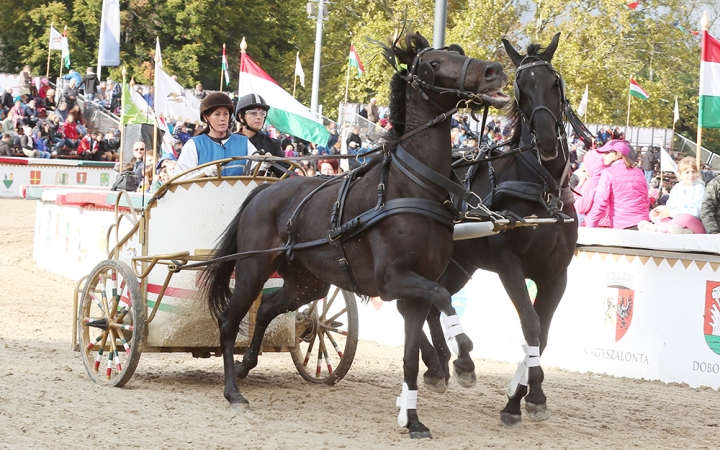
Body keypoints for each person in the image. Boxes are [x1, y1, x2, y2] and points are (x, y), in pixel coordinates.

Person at [175, 92, 256, 178]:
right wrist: (203, 173)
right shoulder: (193, 144)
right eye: (217, 114)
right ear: (206, 118)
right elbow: (180, 180)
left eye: (226, 113)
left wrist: (262, 166)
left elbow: (257, 177)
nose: (222, 118)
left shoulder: (244, 142)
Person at [583, 140, 649, 229]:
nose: (603, 155)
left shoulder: (608, 173)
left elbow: (600, 203)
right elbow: (645, 200)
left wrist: (590, 224)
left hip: (622, 225)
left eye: (606, 153)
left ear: (617, 153)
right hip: (643, 224)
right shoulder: (639, 172)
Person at [640, 157, 706, 234]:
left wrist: (672, 213)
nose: (691, 175)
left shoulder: (700, 188)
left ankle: (659, 229)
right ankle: (681, 231)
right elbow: (670, 205)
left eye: (693, 172)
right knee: (654, 213)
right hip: (675, 219)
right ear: (680, 174)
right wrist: (664, 209)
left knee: (686, 217)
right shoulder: (678, 187)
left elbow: (697, 212)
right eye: (687, 172)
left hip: (694, 223)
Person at [234, 93, 285, 175]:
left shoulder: (272, 144)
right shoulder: (229, 142)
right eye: (253, 113)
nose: (259, 117)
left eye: (262, 113)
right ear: (240, 117)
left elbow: (284, 176)